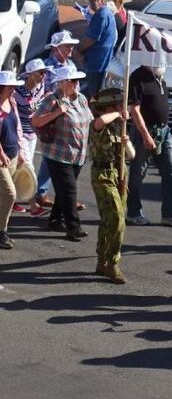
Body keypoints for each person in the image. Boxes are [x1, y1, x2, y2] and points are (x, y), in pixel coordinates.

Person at [31, 67, 93, 241]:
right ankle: (74, 227)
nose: (76, 83)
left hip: (78, 155)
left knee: (63, 190)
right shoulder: (52, 100)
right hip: (58, 154)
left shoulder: (81, 99)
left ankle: (55, 220)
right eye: (72, 81)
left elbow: (89, 120)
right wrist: (57, 112)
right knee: (70, 190)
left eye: (76, 81)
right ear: (62, 82)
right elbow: (35, 120)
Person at [126, 65, 172, 228]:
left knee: (170, 171)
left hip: (164, 131)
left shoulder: (160, 77)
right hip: (145, 131)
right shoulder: (138, 77)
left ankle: (170, 214)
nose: (164, 63)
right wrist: (145, 135)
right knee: (137, 172)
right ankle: (133, 213)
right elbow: (134, 110)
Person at [88, 88, 130, 284]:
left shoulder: (118, 127)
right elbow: (99, 122)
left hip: (118, 174)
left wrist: (126, 142)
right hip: (102, 175)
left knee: (109, 220)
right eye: (118, 105)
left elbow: (132, 155)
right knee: (117, 219)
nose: (123, 108)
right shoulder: (99, 124)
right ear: (108, 108)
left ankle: (102, 260)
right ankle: (113, 263)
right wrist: (118, 114)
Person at [38, 30, 81, 210]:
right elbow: (44, 93)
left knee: (61, 157)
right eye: (67, 46)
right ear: (56, 48)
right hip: (53, 116)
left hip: (67, 115)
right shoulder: (47, 67)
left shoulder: (70, 64)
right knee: (52, 155)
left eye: (71, 46)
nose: (71, 49)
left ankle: (61, 196)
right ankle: (42, 192)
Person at [13, 59, 51, 217]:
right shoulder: (18, 91)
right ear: (30, 75)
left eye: (45, 73)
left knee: (19, 169)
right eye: (41, 73)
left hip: (33, 134)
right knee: (28, 168)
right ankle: (34, 207)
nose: (44, 76)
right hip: (19, 135)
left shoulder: (41, 86)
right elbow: (28, 112)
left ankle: (13, 201)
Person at [0, 71, 27, 249]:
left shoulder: (12, 102)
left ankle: (3, 230)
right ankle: (1, 231)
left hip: (13, 154)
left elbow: (17, 129)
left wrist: (21, 150)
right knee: (10, 194)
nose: (14, 90)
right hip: (1, 158)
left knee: (2, 196)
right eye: (11, 87)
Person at [76, 0, 117, 98]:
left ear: (102, 1)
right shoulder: (104, 13)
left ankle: (91, 112)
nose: (91, 1)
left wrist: (78, 50)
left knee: (92, 92)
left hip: (97, 62)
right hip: (99, 60)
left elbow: (91, 39)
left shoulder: (102, 15)